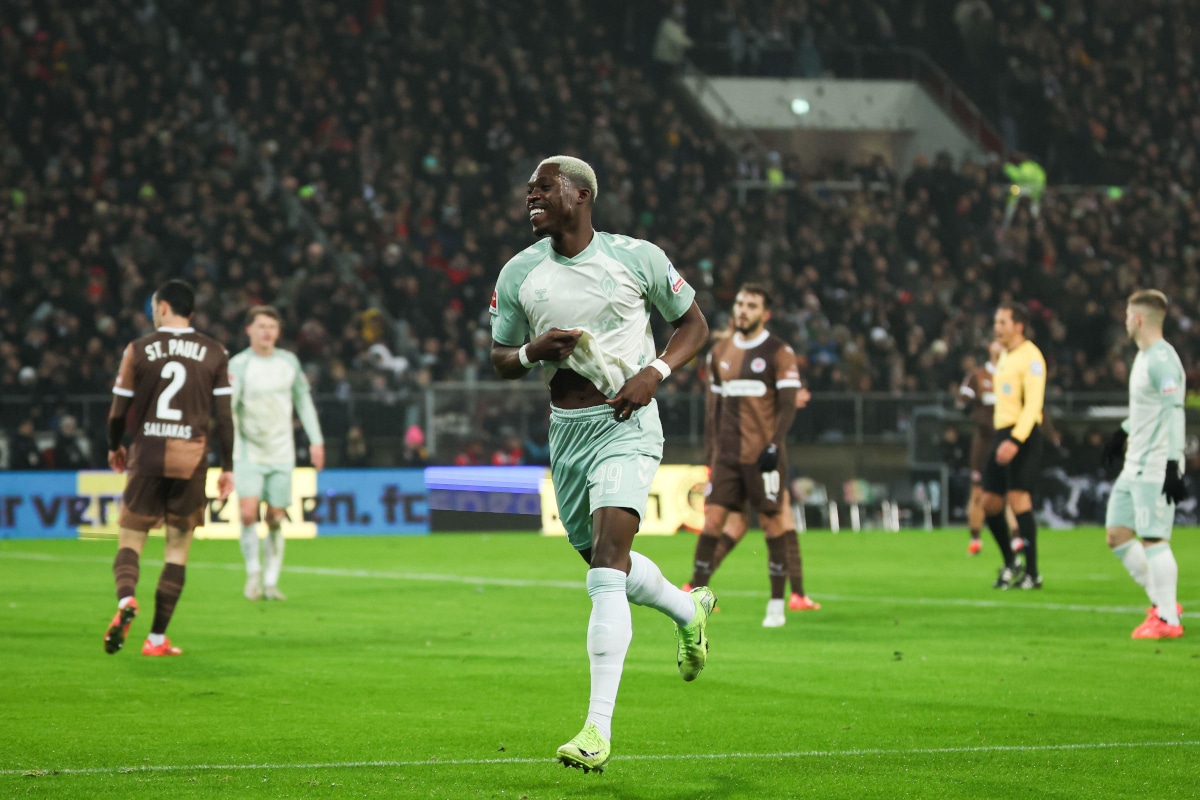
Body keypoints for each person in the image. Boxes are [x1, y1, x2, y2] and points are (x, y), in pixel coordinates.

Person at [490, 155, 712, 773]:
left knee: (608, 569)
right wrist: (533, 351)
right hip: (567, 431)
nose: (531, 195)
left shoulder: (636, 257)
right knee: (599, 561)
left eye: (544, 187)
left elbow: (693, 325)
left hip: (627, 423)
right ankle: (686, 608)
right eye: (529, 188)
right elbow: (499, 356)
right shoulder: (519, 274)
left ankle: (596, 728)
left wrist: (654, 372)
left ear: (581, 194)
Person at [103, 279, 234, 657]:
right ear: (190, 311)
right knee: (177, 550)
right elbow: (224, 419)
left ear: (162, 308)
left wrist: (115, 446)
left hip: (146, 456)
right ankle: (157, 638)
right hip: (191, 460)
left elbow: (117, 412)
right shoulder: (214, 352)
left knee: (130, 541)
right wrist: (227, 466)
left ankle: (127, 599)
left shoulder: (139, 349)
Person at [685, 296, 818, 625]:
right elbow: (714, 408)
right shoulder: (721, 356)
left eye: (750, 306)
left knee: (750, 523)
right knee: (745, 522)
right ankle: (792, 594)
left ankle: (784, 599)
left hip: (763, 456)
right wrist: (712, 452)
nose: (742, 312)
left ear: (764, 313)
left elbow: (779, 400)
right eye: (739, 305)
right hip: (731, 456)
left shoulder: (773, 353)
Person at [1102, 290, 1187, 639]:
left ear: (1138, 319)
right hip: (1134, 463)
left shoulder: (1162, 360)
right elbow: (1146, 411)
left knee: (1154, 538)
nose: (1124, 321)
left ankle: (1168, 620)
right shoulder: (1144, 356)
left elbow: (1174, 412)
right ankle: (1162, 602)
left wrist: (1172, 466)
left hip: (1154, 465)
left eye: (1126, 315)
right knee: (1117, 534)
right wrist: (1119, 434)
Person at [229, 306, 326, 602]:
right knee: (247, 513)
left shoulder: (288, 363)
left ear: (278, 332)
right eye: (261, 326)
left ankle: (271, 582)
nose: (267, 332)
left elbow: (304, 402)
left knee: (274, 516)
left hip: (281, 451)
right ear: (249, 330)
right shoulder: (239, 365)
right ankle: (253, 576)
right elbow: (228, 410)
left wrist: (316, 441)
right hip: (247, 450)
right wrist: (226, 450)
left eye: (272, 326)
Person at [982, 301, 1046, 590]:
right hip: (1002, 430)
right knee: (990, 502)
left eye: (1002, 322)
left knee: (1019, 499)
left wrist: (1016, 441)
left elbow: (1033, 405)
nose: (997, 327)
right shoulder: (1006, 355)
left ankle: (1032, 573)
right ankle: (1011, 561)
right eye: (996, 322)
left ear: (1018, 326)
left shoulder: (1031, 357)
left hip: (1024, 432)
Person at [957, 341, 1002, 555]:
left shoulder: (1014, 375)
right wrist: (967, 405)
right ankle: (975, 539)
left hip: (1007, 440)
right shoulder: (978, 375)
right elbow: (963, 400)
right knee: (977, 492)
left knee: (1012, 493)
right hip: (984, 443)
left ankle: (1017, 539)